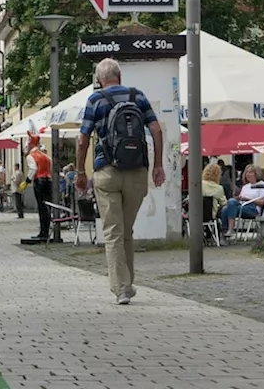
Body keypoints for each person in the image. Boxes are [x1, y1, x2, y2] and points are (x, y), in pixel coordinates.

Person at [75, 58, 165, 305]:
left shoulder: (95, 100)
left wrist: (80, 172)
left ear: (98, 80)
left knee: (113, 231)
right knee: (126, 229)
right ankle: (128, 283)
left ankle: (122, 289)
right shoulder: (138, 97)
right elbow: (156, 130)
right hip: (137, 171)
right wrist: (158, 165)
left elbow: (83, 139)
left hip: (107, 172)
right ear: (120, 76)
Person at [26, 134, 54, 240]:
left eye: (28, 143)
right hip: (48, 180)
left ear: (31, 143)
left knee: (41, 206)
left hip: (39, 181)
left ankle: (43, 232)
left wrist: (28, 180)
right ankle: (46, 230)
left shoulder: (31, 156)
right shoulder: (46, 157)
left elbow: (33, 169)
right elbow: (50, 169)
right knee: (47, 206)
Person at [201, 163, 228, 235]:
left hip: (195, 214)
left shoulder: (199, 184)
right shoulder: (219, 188)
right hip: (210, 215)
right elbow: (224, 203)